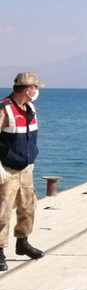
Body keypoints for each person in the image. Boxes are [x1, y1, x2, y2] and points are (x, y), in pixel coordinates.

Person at [0, 72, 47, 271]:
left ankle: (23, 242)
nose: (37, 91)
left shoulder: (30, 108)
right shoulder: (4, 109)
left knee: (28, 206)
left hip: (26, 168)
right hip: (7, 169)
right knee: (2, 211)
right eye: (36, 88)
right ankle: (0, 250)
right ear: (28, 89)